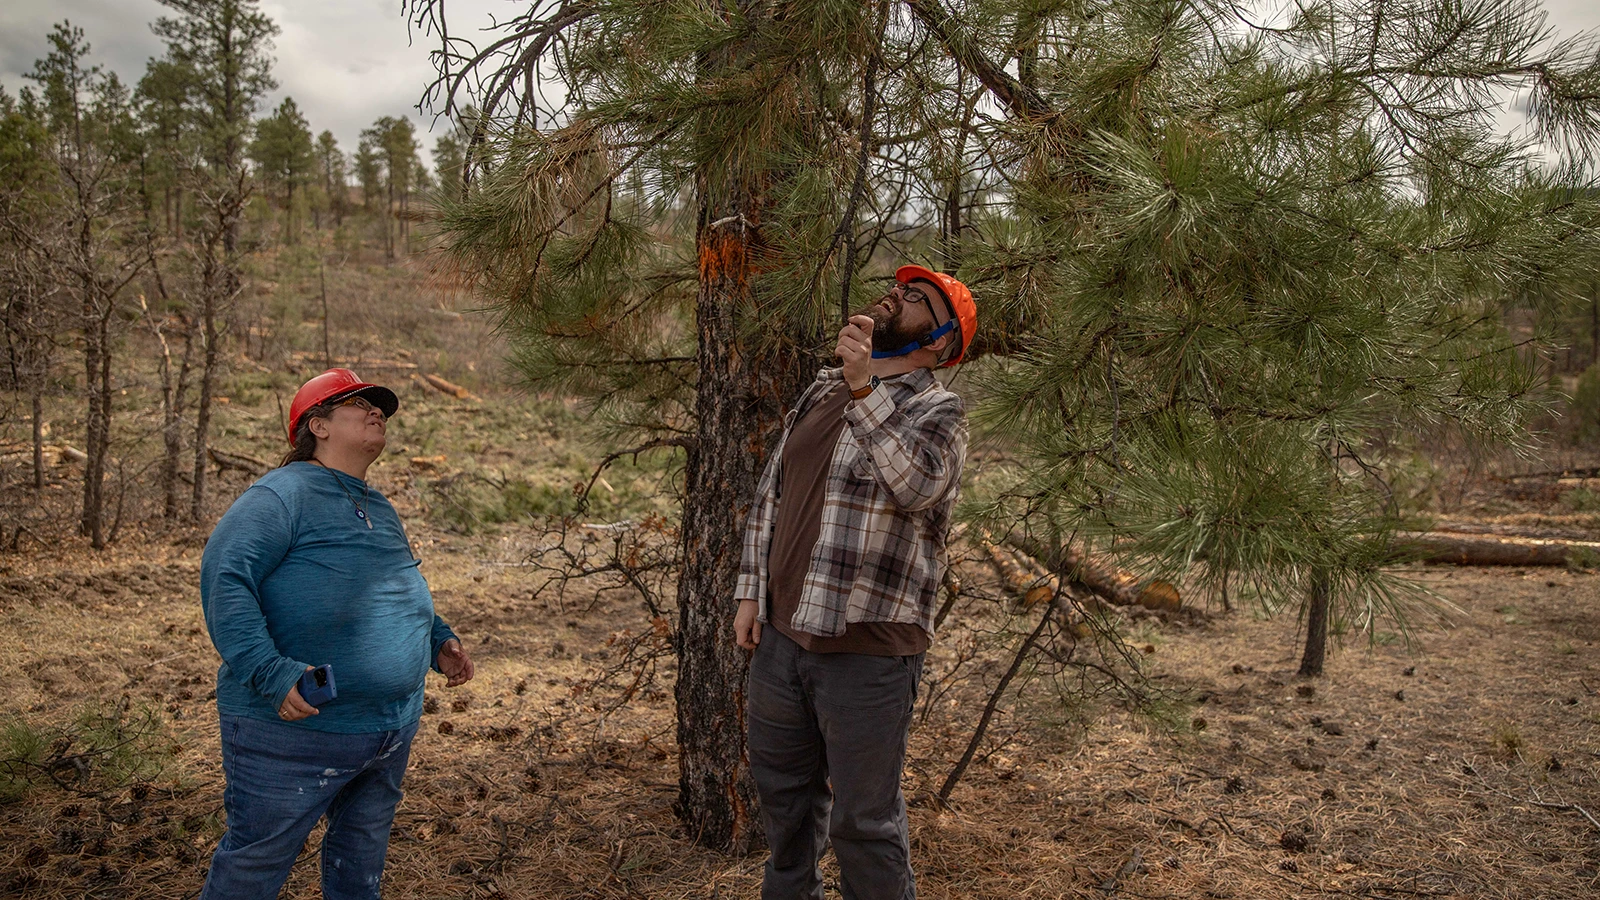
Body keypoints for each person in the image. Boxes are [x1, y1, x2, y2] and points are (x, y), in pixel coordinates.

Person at [733, 265, 977, 899]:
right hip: (781, 641)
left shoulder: (938, 411)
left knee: (864, 826)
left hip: (869, 653)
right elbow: (773, 496)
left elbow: (917, 486)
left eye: (918, 298)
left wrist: (866, 389)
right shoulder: (821, 391)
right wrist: (749, 592)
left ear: (942, 342)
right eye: (901, 286)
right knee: (785, 815)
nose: (899, 294)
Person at [198, 368, 474, 900]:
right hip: (293, 735)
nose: (377, 411)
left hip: (388, 729)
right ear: (317, 426)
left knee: (360, 866)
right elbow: (225, 578)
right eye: (357, 403)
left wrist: (439, 640)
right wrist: (271, 674)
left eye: (380, 407)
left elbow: (399, 585)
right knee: (254, 867)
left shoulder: (378, 505)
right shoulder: (280, 495)